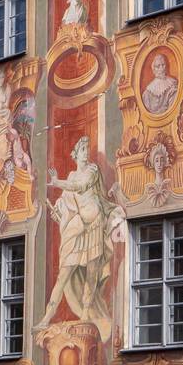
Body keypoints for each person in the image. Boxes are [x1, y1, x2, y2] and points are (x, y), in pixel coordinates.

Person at [36, 136, 122, 336]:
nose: (86, 152)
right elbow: (66, 201)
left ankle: (85, 314)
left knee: (92, 273)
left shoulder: (92, 171)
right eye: (82, 149)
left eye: (86, 149)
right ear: (75, 154)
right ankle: (47, 316)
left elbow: (81, 187)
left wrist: (57, 181)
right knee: (64, 273)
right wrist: (57, 212)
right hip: (79, 225)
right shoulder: (73, 175)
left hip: (94, 223)